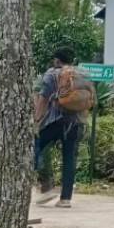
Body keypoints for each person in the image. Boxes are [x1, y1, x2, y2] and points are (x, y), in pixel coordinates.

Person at [33, 48, 84, 208]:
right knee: (68, 159)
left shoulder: (51, 73)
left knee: (39, 148)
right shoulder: (78, 74)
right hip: (74, 122)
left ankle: (47, 187)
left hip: (53, 121)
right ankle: (65, 199)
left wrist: (36, 119)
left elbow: (43, 98)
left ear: (57, 60)